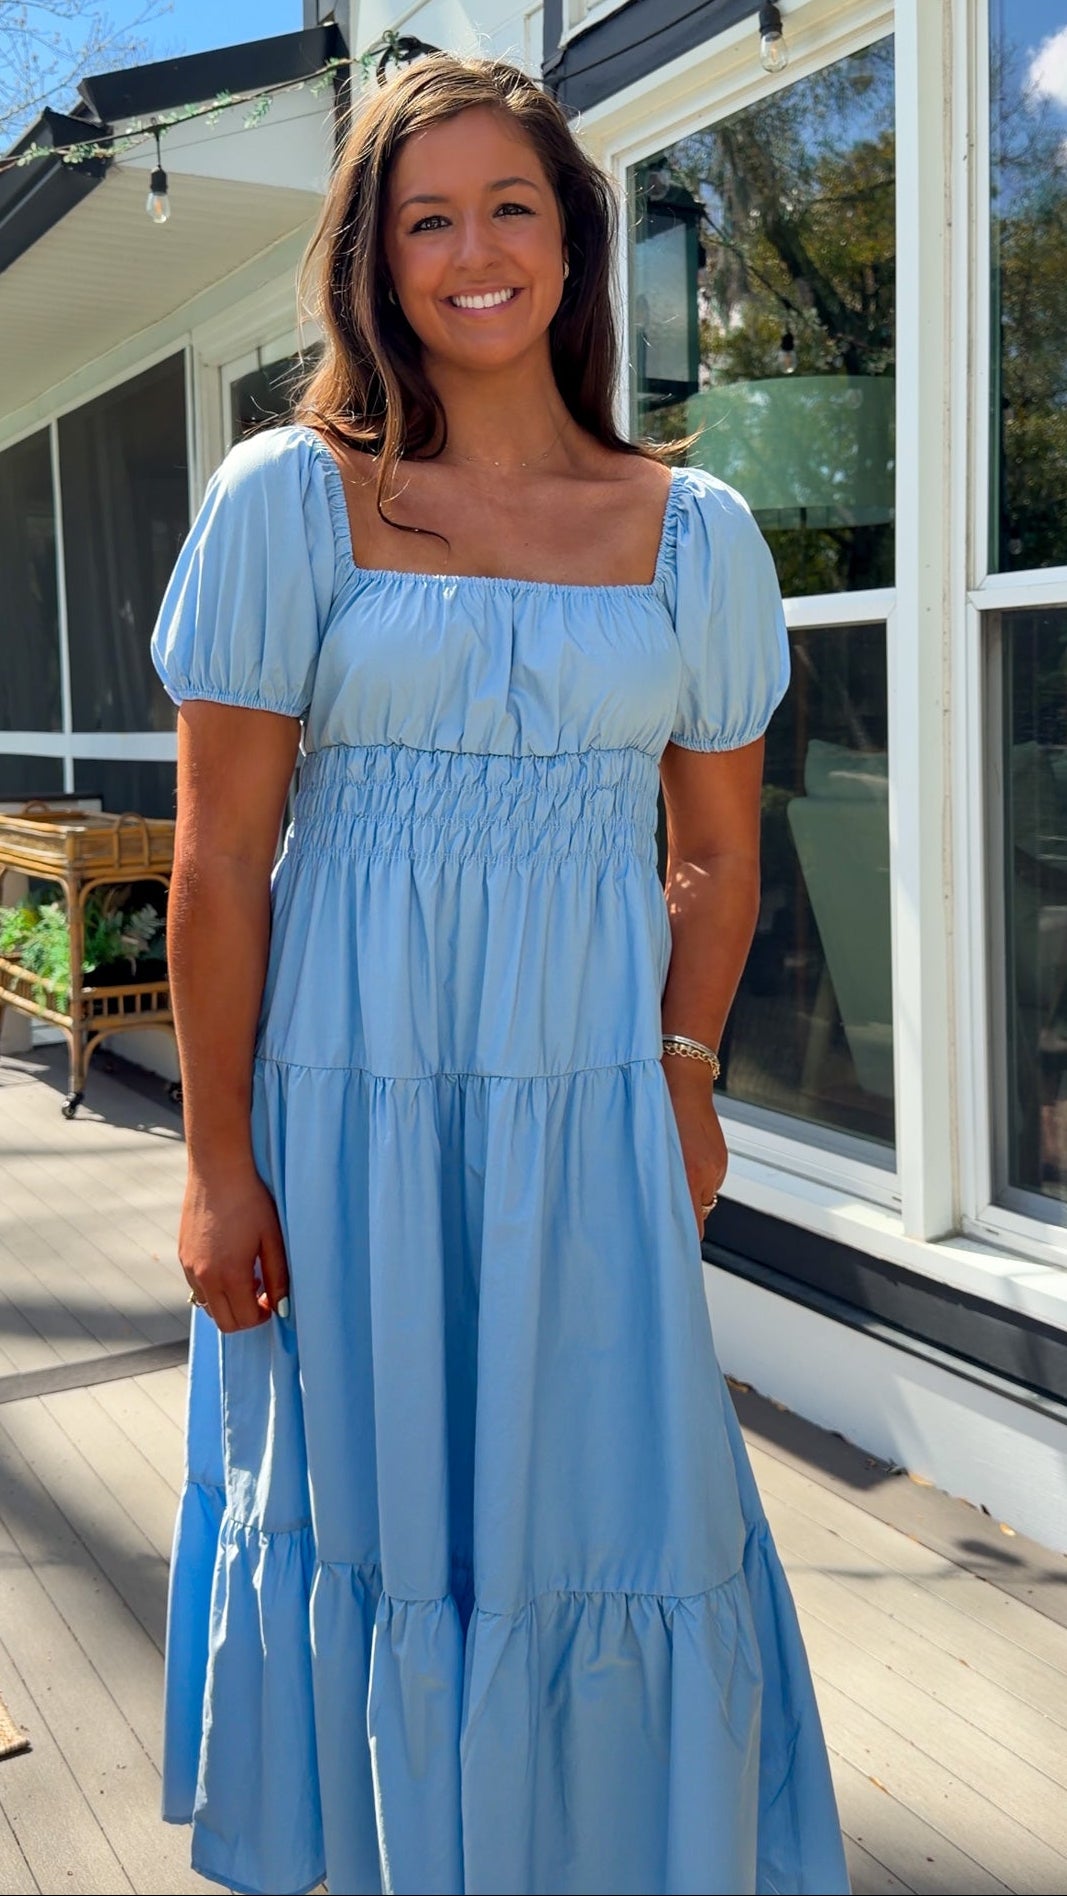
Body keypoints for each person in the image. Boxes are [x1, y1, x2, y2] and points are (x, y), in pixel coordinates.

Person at [150, 51, 850, 1896]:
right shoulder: (288, 502)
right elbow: (221, 863)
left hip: (592, 1115)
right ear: (373, 262)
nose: (473, 252)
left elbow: (716, 857)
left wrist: (689, 1074)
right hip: (345, 1116)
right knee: (373, 1520)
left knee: (625, 1509)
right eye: (426, 217)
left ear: (573, 240)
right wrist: (216, 1160)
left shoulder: (692, 538)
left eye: (511, 207)